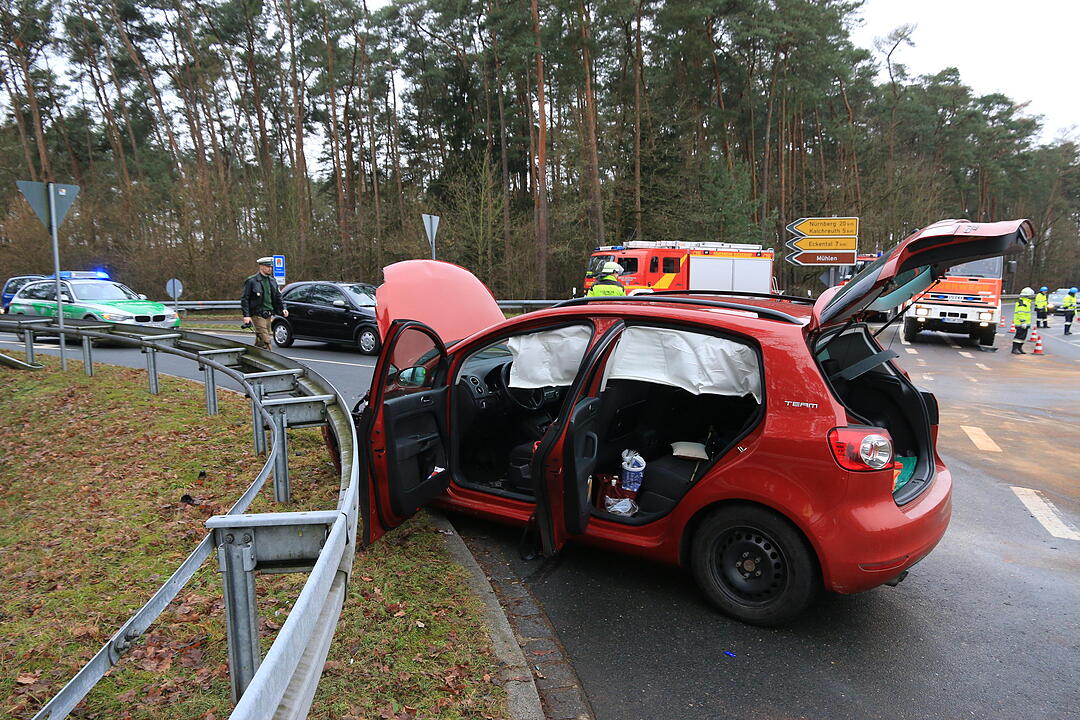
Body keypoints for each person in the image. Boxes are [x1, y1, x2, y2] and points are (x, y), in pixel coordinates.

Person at [241, 256, 287, 350]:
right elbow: (245, 299)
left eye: (271, 267)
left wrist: (284, 308)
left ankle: (254, 356)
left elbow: (278, 296)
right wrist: (246, 316)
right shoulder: (252, 281)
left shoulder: (273, 281)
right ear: (261, 267)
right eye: (268, 266)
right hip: (257, 315)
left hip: (269, 315)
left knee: (261, 341)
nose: (270, 269)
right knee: (266, 340)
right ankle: (271, 361)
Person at [1011, 286, 1034, 355]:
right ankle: (1015, 349)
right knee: (1018, 336)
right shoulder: (1022, 302)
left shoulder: (1026, 302)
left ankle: (1019, 348)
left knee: (1023, 337)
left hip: (1025, 323)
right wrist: (1023, 322)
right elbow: (1021, 313)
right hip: (1021, 323)